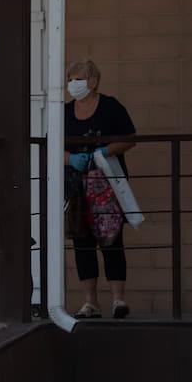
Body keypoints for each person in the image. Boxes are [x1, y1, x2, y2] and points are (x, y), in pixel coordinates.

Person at [63, 59, 136, 319]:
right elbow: (53, 146)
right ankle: (90, 303)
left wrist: (104, 151)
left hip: (108, 185)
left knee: (112, 241)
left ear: (93, 82)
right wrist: (71, 159)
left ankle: (118, 300)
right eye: (70, 79)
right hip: (77, 187)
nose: (73, 84)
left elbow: (129, 138)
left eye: (78, 79)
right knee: (82, 243)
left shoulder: (110, 107)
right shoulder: (64, 112)